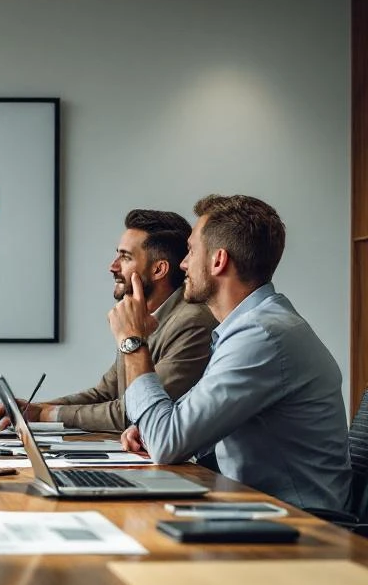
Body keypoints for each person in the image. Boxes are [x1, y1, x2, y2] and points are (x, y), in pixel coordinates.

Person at [110, 194, 350, 510]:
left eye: (191, 251)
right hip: (256, 509)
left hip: (299, 525)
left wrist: (133, 341)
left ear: (218, 260)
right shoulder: (251, 327)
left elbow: (167, 442)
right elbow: (181, 429)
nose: (182, 263)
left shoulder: (261, 335)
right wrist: (150, 428)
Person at [0, 210, 217, 432]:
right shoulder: (138, 317)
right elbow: (106, 393)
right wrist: (37, 408)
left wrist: (46, 414)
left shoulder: (192, 323)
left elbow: (134, 411)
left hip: (189, 466)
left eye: (125, 257)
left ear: (159, 269)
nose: (113, 266)